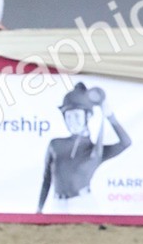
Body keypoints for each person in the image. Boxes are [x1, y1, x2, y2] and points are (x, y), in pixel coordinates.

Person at [37, 82, 131, 213]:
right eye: (68, 116)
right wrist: (39, 208)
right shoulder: (55, 144)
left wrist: (109, 115)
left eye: (76, 115)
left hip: (82, 204)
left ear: (87, 116)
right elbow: (47, 179)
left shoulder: (96, 150)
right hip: (57, 204)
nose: (72, 120)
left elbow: (125, 142)